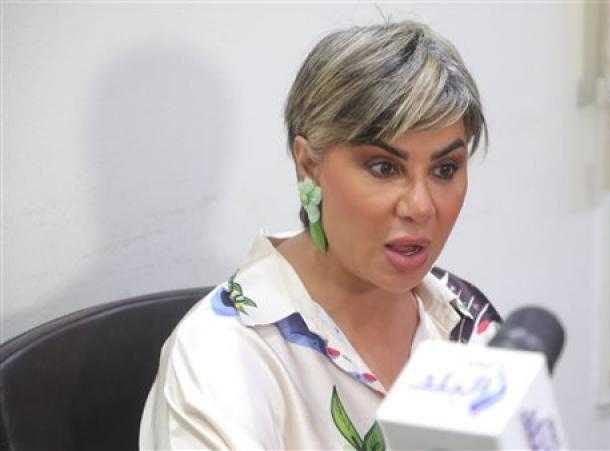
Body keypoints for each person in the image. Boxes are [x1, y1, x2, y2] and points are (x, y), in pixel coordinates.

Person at [140, 20, 502, 450]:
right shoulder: (222, 357)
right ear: (309, 165)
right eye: (384, 168)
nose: (421, 206)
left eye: (445, 169)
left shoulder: (464, 316)